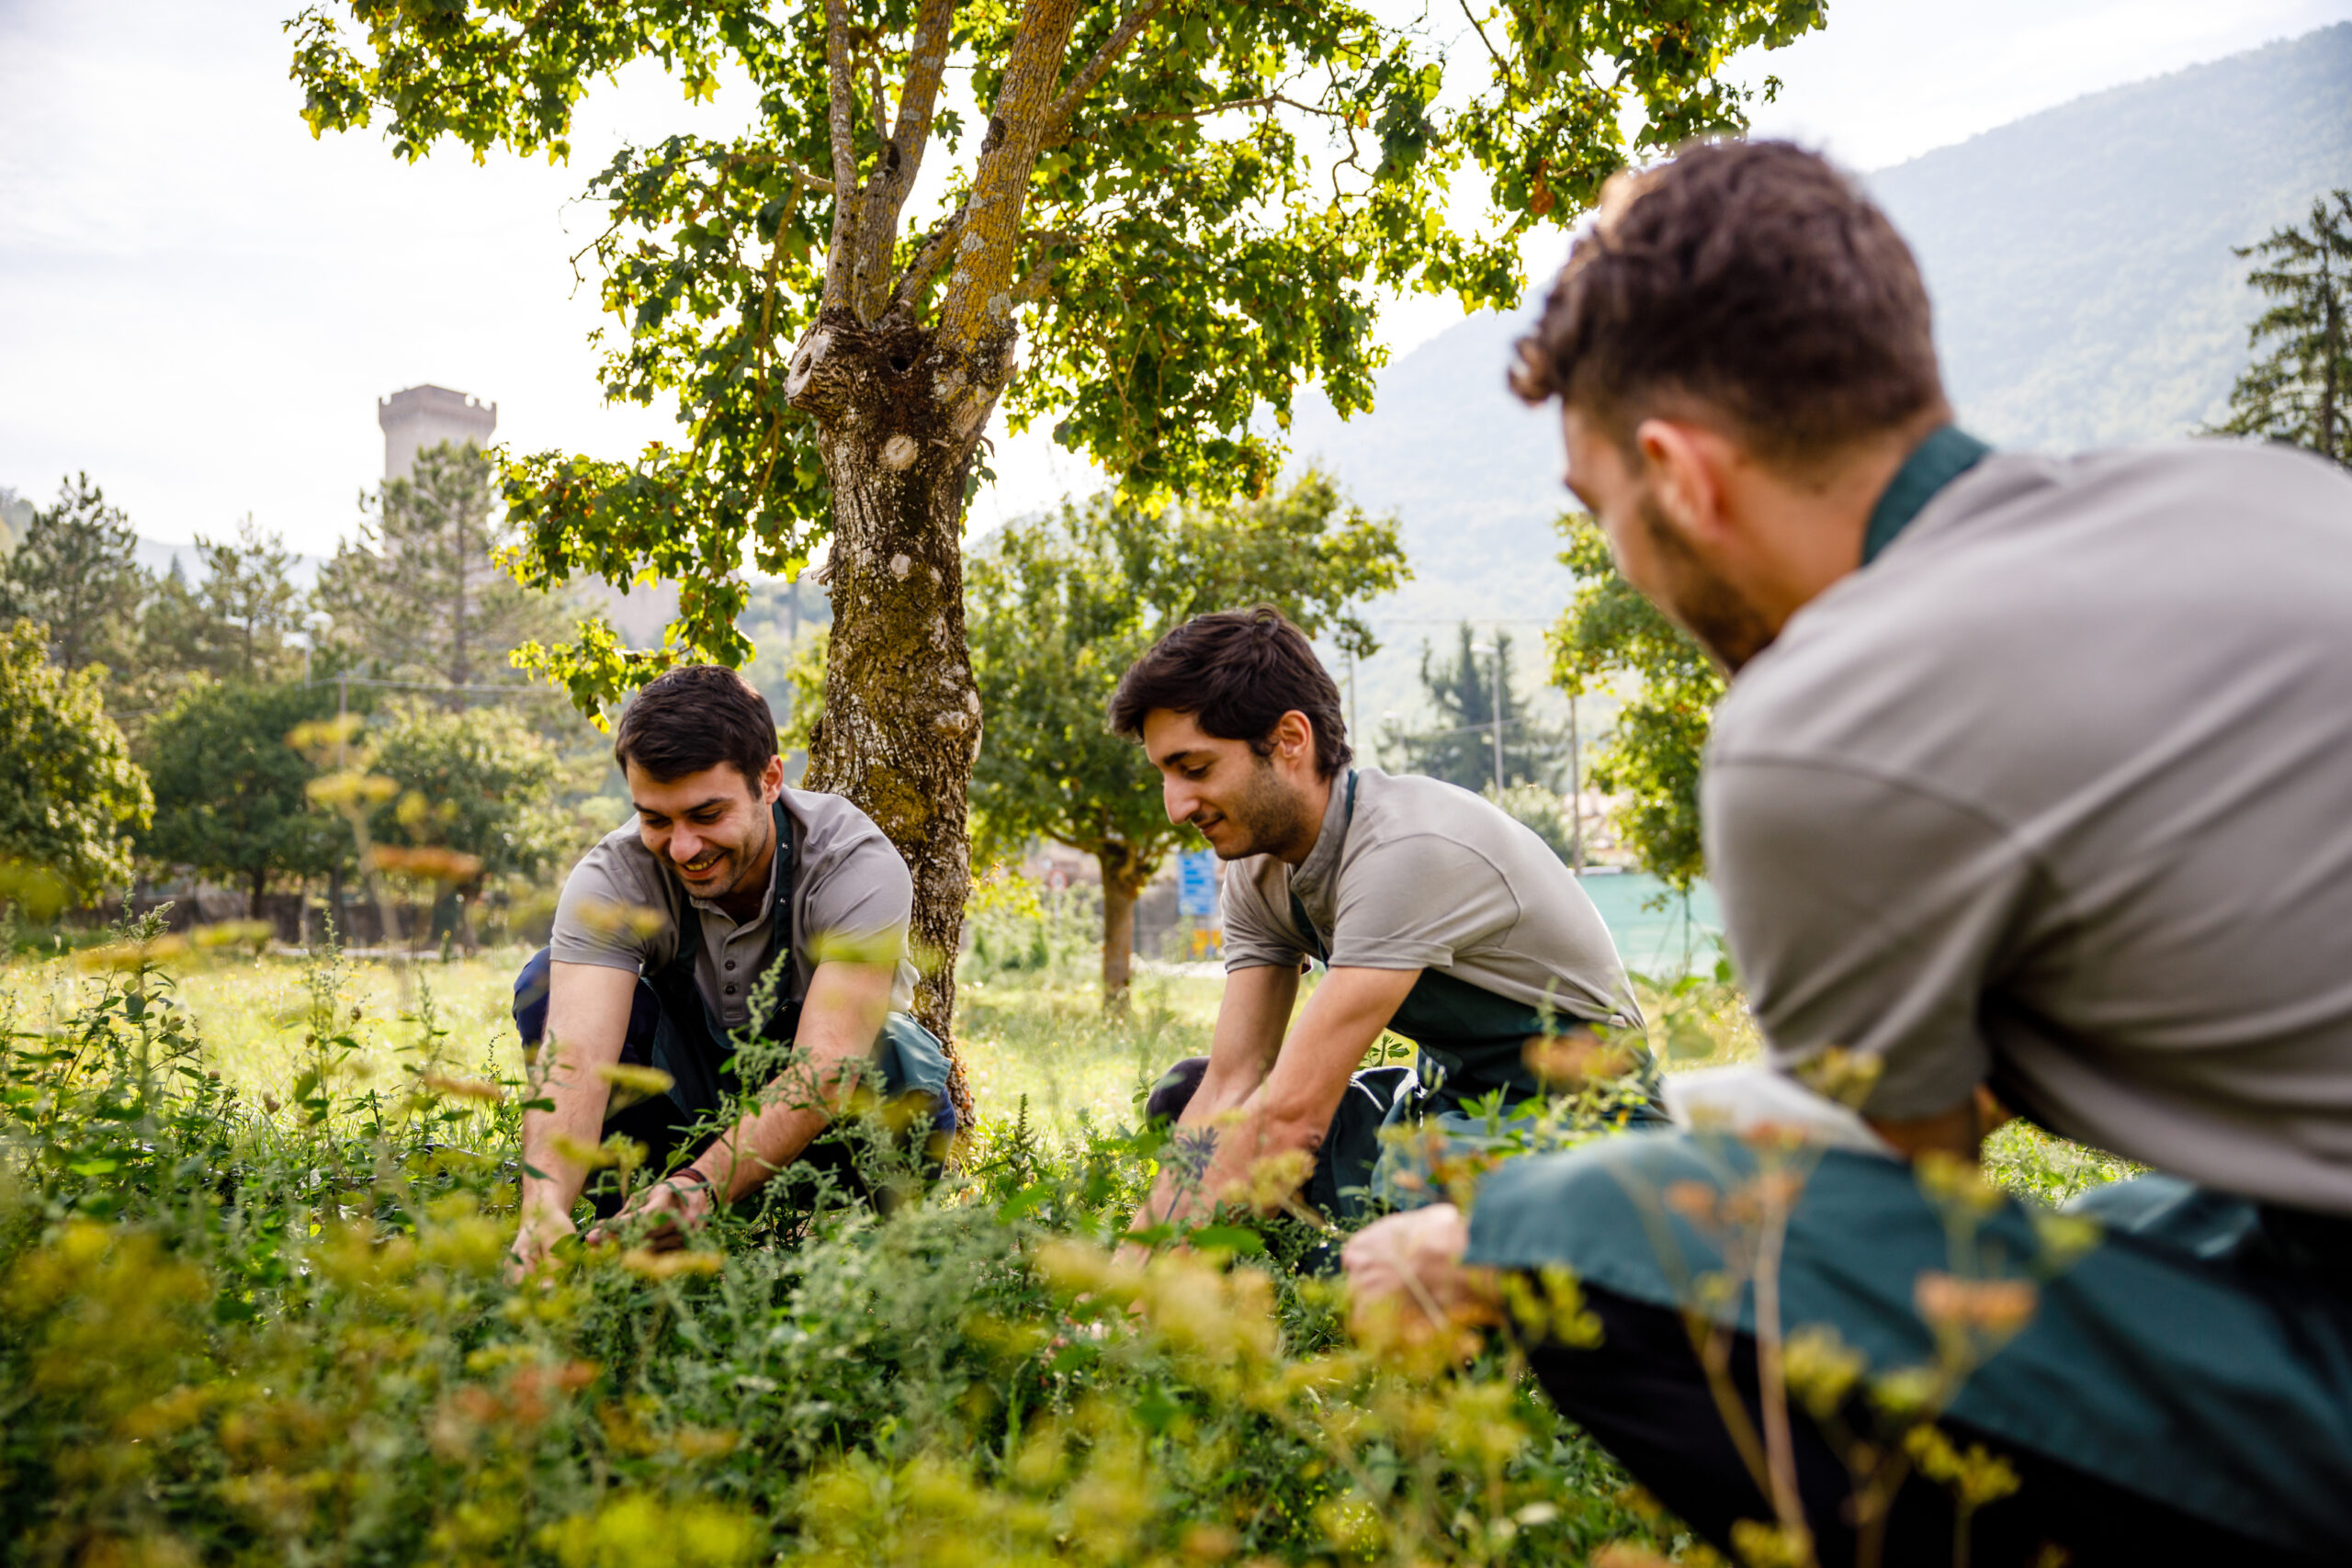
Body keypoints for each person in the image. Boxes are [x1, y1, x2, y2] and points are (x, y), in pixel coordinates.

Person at [1342, 140, 2352, 1564]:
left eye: (1599, 512)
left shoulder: (1822, 719)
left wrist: (1478, 1238)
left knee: (1588, 1222)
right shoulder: (2258, 493)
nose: (1624, 554)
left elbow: (1873, 1193)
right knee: (2144, 1221)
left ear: (1678, 476)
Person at [1107, 606, 1653, 1247]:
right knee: (1187, 1096)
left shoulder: (1405, 849)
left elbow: (1291, 1116)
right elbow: (1234, 1081)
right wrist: (1124, 1282)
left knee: (1393, 1254)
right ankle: (1273, 1272)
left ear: (1288, 738)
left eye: (1194, 769)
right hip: (1446, 1106)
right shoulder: (1255, 872)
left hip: (1586, 1124)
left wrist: (1125, 1313)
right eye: (1165, 774)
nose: (1176, 807)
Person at [507, 665, 952, 1274]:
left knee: (896, 1058)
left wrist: (701, 1184)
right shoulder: (613, 875)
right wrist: (544, 1203)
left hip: (826, 1119)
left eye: (706, 814)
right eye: (656, 819)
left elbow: (825, 1070)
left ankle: (868, 1267)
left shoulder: (853, 864)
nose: (683, 846)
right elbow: (576, 1059)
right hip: (678, 1107)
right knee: (545, 983)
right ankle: (628, 1235)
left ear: (769, 779)